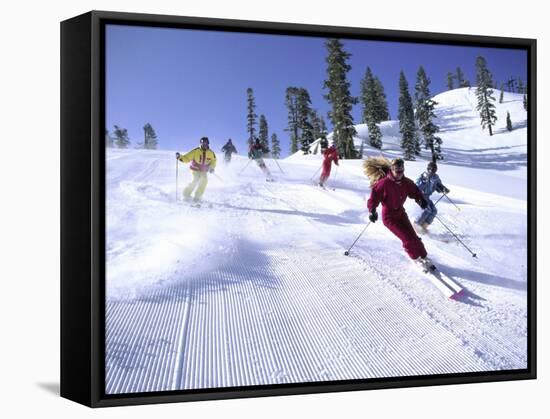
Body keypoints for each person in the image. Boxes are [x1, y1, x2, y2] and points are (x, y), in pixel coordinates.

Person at [366, 158, 434, 270]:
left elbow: (415, 192)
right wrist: (372, 210)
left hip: (401, 214)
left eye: (401, 169)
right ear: (391, 169)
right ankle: (416, 259)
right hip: (389, 217)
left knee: (414, 237)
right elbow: (374, 197)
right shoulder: (384, 183)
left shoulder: (406, 182)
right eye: (396, 169)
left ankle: (424, 256)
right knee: (407, 238)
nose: (399, 172)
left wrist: (421, 200)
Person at [176, 136, 217, 204]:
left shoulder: (211, 153)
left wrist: (211, 168)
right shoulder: (196, 151)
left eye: (206, 143)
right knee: (195, 180)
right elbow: (187, 158)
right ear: (200, 143)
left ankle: (197, 197)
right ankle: (186, 195)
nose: (204, 144)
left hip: (203, 170)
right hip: (195, 169)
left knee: (204, 181)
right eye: (203, 143)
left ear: (208, 143)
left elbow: (213, 161)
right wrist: (180, 157)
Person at [414, 161, 450, 232]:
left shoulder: (436, 177)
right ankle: (416, 225)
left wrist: (443, 189)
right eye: (430, 169)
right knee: (427, 210)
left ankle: (424, 226)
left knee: (434, 211)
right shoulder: (423, 176)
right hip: (421, 196)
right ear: (427, 169)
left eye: (434, 169)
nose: (432, 171)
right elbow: (417, 187)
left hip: (427, 197)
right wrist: (424, 182)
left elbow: (438, 186)